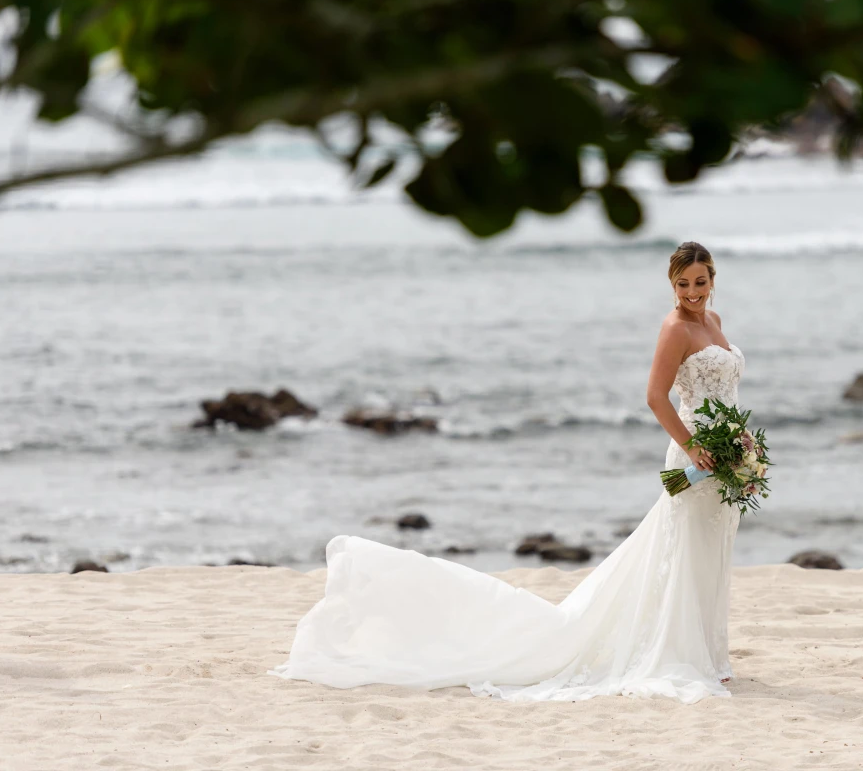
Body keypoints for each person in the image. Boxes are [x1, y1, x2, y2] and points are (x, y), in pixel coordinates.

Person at [269, 241, 745, 703]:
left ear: (713, 279)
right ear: (672, 284)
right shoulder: (674, 329)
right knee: (683, 551)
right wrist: (693, 445)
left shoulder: (715, 321)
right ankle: (682, 656)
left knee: (710, 550)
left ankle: (708, 657)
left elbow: (724, 393)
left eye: (700, 282)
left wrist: (740, 441)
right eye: (683, 284)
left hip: (723, 453)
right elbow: (655, 398)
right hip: (694, 457)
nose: (692, 292)